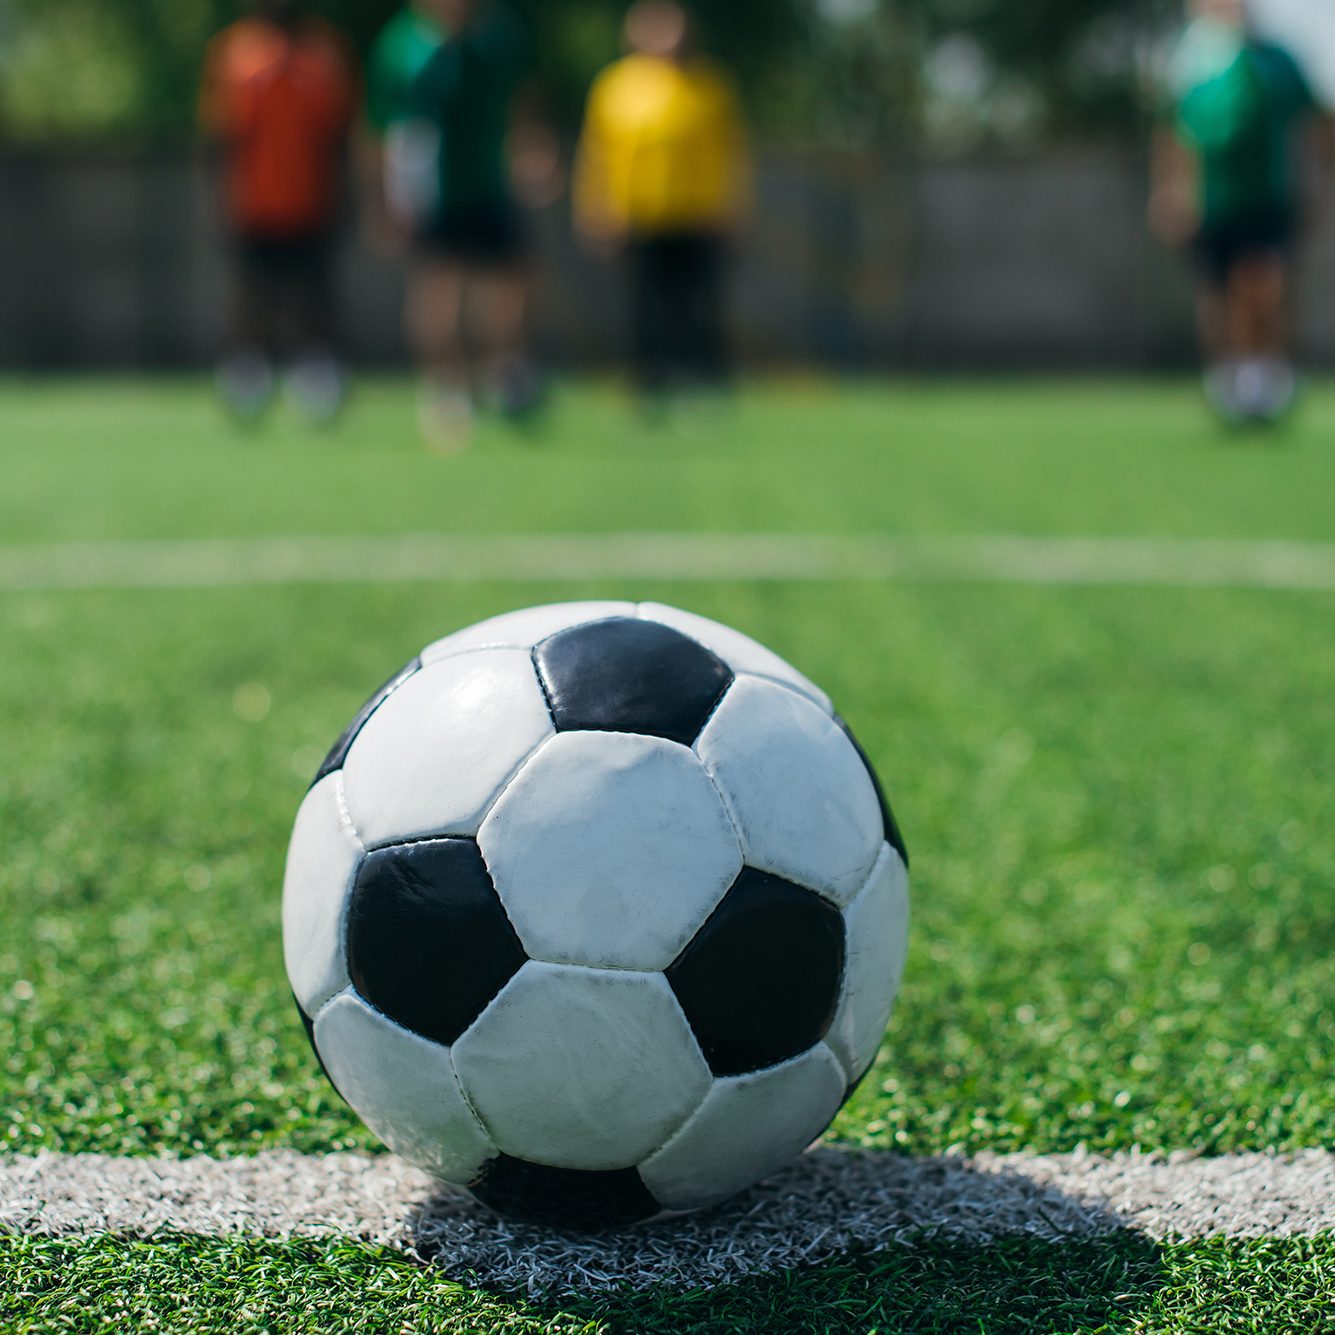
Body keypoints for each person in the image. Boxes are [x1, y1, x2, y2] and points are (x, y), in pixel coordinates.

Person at [364, 0, 552, 451]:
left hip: (489, 181)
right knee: (440, 289)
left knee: (513, 281)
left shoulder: (499, 34)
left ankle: (505, 369)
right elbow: (377, 125)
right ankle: (446, 388)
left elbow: (524, 95)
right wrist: (380, 198)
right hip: (433, 191)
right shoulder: (400, 46)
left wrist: (533, 147)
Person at [1150, 0, 1325, 424]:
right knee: (1216, 295)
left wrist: (1323, 182)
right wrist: (1169, 192)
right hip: (1211, 201)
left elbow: (1317, 124)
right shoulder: (1189, 61)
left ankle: (1265, 374)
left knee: (1261, 282)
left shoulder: (1279, 61)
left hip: (1267, 197)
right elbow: (1173, 133)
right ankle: (1228, 381)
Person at [574, 2, 749, 411]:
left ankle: (703, 383)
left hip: (697, 215)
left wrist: (733, 207)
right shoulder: (615, 86)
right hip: (640, 215)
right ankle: (649, 385)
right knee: (644, 306)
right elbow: (597, 153)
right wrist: (595, 206)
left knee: (697, 305)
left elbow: (731, 153)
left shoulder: (709, 86)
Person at [200, 0, 358, 425]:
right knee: (252, 299)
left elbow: (338, 135)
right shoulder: (235, 52)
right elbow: (221, 136)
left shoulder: (326, 54)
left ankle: (317, 381)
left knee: (315, 300)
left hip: (313, 202)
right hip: (255, 205)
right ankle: (247, 380)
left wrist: (346, 194)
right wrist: (219, 197)